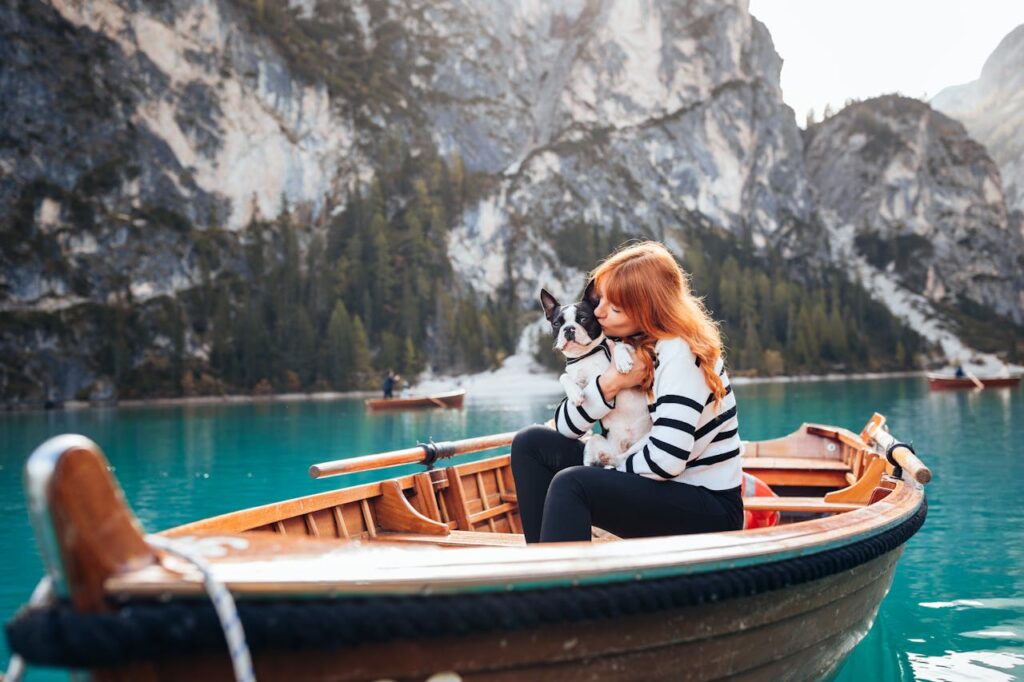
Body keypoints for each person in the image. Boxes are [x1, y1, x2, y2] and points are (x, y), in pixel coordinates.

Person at [511, 241, 744, 543]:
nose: (599, 312)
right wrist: (611, 384)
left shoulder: (680, 352)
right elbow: (568, 428)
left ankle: (562, 585)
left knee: (573, 484)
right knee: (531, 444)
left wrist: (606, 468)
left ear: (646, 309)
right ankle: (543, 566)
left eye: (615, 306)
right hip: (660, 484)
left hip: (707, 506)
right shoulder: (627, 346)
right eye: (601, 300)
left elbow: (667, 461)